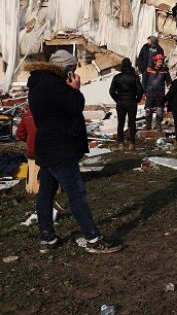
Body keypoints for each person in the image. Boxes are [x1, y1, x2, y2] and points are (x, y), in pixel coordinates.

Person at [27, 50, 121, 253]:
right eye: (71, 68)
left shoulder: (36, 84)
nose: (73, 72)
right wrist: (75, 89)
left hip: (45, 144)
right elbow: (75, 106)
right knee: (76, 193)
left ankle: (47, 238)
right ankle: (93, 239)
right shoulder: (55, 85)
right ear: (65, 68)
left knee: (46, 193)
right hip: (60, 147)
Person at [108, 57, 144, 148]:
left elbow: (111, 91)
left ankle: (121, 143)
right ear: (130, 65)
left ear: (122, 66)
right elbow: (140, 91)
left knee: (120, 123)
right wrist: (137, 100)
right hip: (132, 101)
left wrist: (117, 99)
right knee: (132, 122)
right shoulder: (134, 77)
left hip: (120, 102)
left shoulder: (116, 77)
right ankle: (132, 143)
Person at [142, 53, 171, 132]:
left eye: (161, 61)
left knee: (159, 110)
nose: (160, 63)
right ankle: (148, 125)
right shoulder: (148, 70)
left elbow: (169, 80)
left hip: (160, 94)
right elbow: (144, 81)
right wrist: (143, 92)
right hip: (150, 93)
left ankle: (158, 125)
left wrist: (169, 85)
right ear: (155, 62)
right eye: (159, 61)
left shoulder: (165, 71)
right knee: (148, 110)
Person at [15, 109, 39, 194]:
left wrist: (29, 140)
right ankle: (55, 190)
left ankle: (32, 190)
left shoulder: (27, 115)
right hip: (51, 150)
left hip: (33, 150)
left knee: (32, 169)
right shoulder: (55, 112)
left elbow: (19, 134)